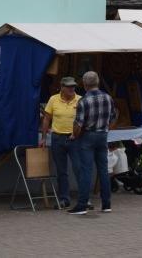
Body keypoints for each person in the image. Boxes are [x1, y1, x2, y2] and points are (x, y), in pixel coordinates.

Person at [69, 71, 117, 215]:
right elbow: (114, 116)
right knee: (103, 170)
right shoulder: (108, 98)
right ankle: (106, 204)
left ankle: (82, 205)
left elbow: (78, 124)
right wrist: (107, 128)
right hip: (103, 135)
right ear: (97, 82)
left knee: (86, 170)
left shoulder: (83, 101)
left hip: (88, 136)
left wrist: (75, 135)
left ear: (84, 84)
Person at [39, 76, 81, 208]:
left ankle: (84, 199)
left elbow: (84, 120)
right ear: (62, 88)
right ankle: (64, 199)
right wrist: (44, 137)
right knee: (61, 171)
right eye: (68, 87)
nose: (71, 89)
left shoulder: (80, 100)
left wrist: (78, 133)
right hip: (58, 138)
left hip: (75, 138)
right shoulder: (53, 99)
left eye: (73, 86)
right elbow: (46, 119)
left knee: (79, 168)